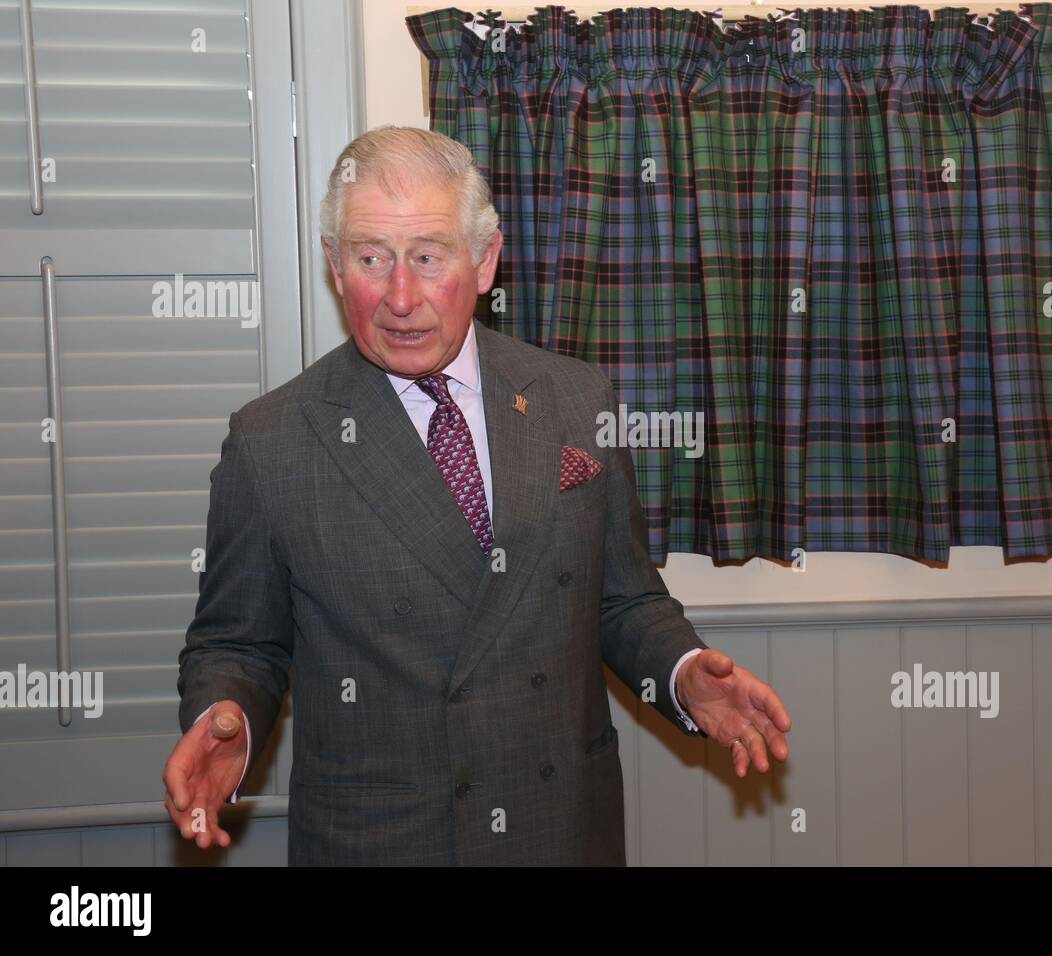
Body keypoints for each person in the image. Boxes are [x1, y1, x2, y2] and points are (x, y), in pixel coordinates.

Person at [163, 126, 791, 865]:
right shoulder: (270, 441)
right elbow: (239, 642)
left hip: (559, 826)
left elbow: (624, 601)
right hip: (382, 842)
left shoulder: (575, 398)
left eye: (428, 258)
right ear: (336, 266)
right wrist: (224, 712)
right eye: (372, 258)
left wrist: (684, 675)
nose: (400, 296)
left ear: (486, 260)